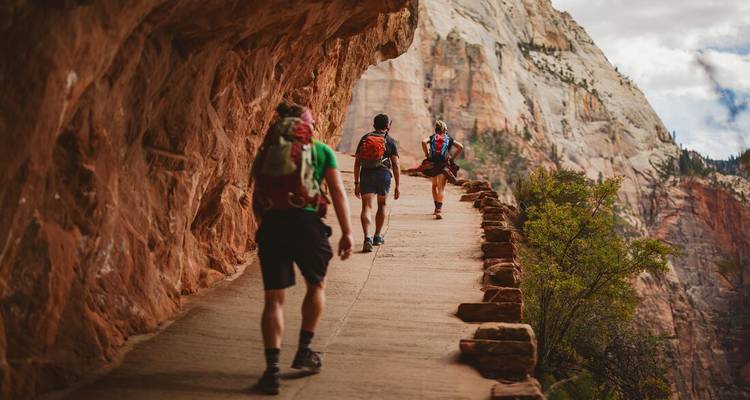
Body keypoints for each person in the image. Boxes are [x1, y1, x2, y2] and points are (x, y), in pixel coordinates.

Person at [241, 102, 353, 395]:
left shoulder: (268, 149)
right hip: (307, 223)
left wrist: (265, 224)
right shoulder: (321, 150)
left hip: (273, 223)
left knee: (273, 300)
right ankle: (304, 350)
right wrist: (348, 233)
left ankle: (271, 371)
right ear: (307, 125)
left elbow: (257, 193)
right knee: (316, 285)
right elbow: (338, 192)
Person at [353, 113, 400, 252]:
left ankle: (367, 237)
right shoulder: (389, 141)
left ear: (374, 125)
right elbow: (396, 164)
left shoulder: (365, 138)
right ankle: (377, 236)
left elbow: (357, 162)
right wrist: (398, 185)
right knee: (382, 205)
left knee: (366, 207)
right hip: (383, 175)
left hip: (366, 174)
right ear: (387, 126)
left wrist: (356, 183)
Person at [420, 120, 463, 219]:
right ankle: (439, 210)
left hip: (433, 164)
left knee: (434, 186)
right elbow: (460, 146)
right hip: (444, 165)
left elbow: (423, 142)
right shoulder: (448, 139)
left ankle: (436, 208)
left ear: (436, 129)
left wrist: (427, 155)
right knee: (441, 188)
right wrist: (452, 158)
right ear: (445, 130)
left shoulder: (432, 138)